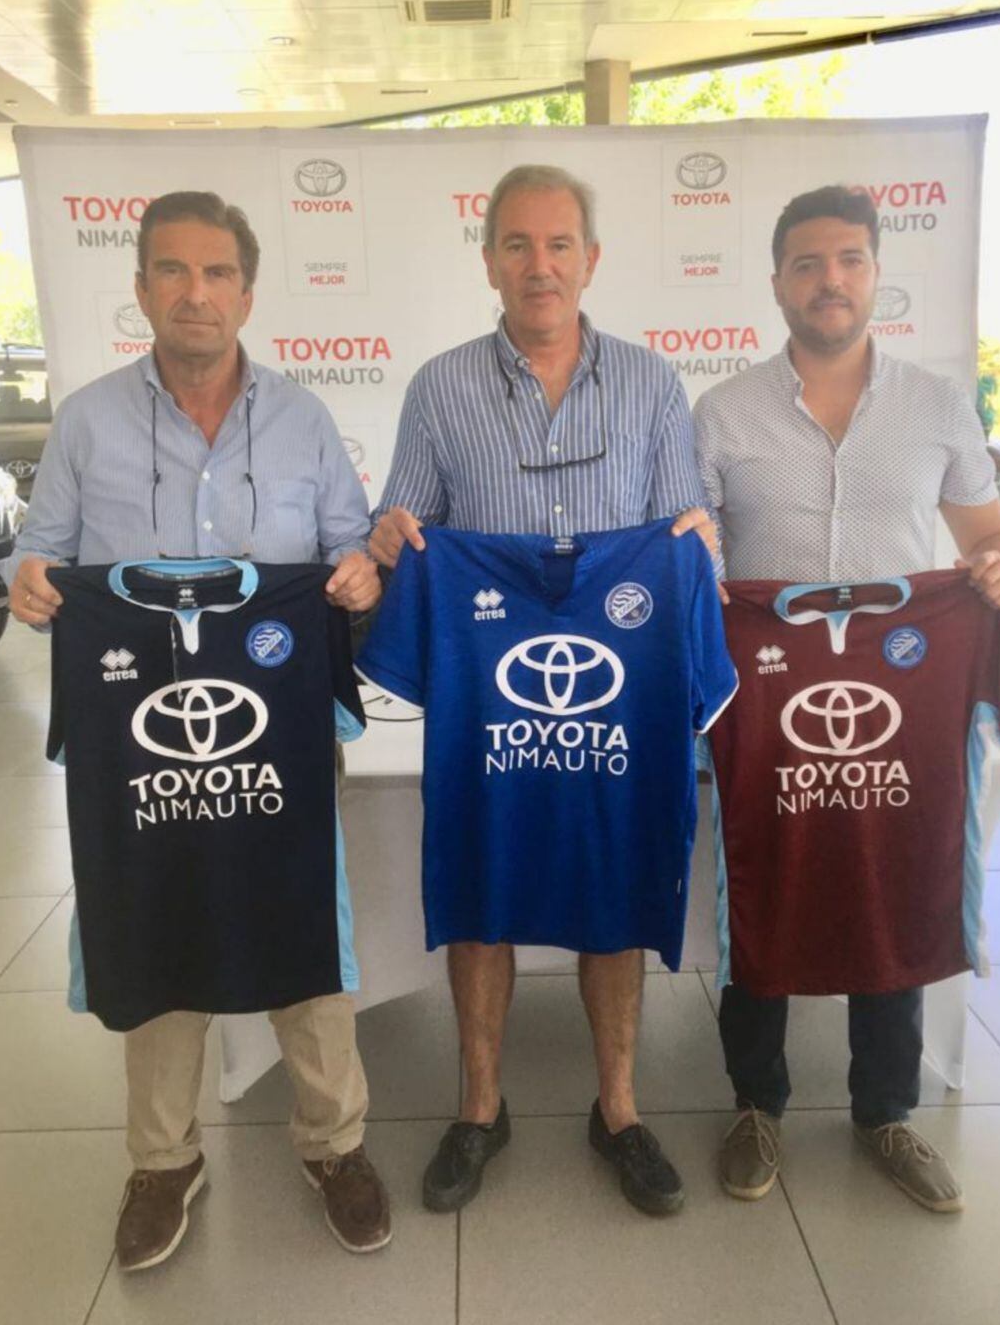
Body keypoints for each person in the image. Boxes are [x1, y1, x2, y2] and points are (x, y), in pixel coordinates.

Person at [0, 190, 392, 1267]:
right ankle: (165, 1158)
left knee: (305, 932)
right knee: (155, 930)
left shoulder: (304, 418)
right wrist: (27, 578)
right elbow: (38, 547)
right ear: (139, 289)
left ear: (248, 293)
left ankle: (335, 1140)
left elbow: (350, 546)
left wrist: (360, 575)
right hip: (143, 746)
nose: (195, 292)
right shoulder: (87, 419)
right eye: (172, 271)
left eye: (217, 273)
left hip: (283, 734)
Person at [370, 163, 717, 1218]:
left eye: (560, 244)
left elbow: (686, 535)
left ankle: (618, 1107)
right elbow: (403, 529)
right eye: (517, 245)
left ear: (592, 259)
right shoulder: (439, 386)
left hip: (618, 702)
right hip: (492, 697)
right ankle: (480, 1105)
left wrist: (698, 544)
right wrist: (387, 540)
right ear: (487, 261)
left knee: (616, 893)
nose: (540, 265)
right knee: (481, 889)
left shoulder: (655, 385)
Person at [694, 182, 1000, 1214]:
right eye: (806, 263)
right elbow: (692, 553)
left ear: (876, 270)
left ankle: (886, 1109)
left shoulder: (934, 405)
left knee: (897, 879)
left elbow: (984, 539)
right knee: (765, 884)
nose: (828, 280)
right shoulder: (722, 412)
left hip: (899, 691)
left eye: (847, 260)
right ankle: (757, 1101)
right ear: (779, 281)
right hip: (768, 701)